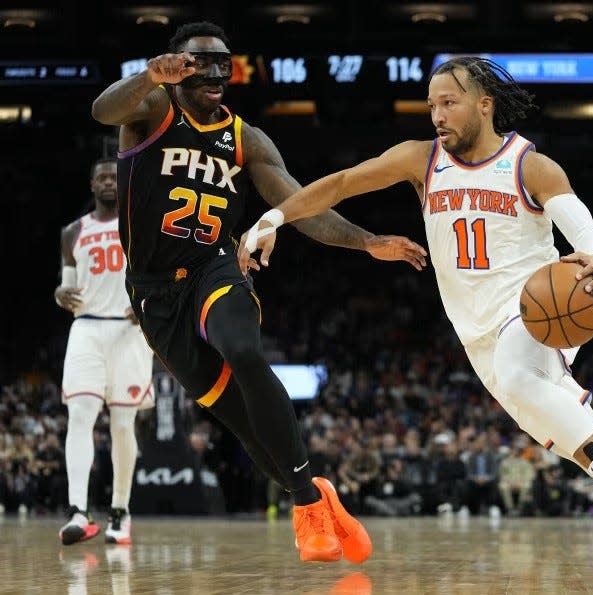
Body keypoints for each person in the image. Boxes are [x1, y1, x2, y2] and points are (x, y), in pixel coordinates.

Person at [239, 56, 593, 574]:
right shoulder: (419, 159)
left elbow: (588, 236)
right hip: (478, 338)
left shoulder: (529, 165)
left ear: (485, 104)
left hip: (538, 317)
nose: (438, 115)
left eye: (449, 102)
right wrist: (275, 216)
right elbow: (342, 182)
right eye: (431, 105)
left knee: (528, 383)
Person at [91, 21, 427, 563]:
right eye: (201, 63)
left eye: (223, 63)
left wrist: (368, 243)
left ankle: (306, 508)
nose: (216, 73)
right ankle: (314, 497)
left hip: (214, 268)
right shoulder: (151, 110)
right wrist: (150, 75)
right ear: (177, 71)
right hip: (154, 296)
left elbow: (303, 206)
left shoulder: (247, 139)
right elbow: (102, 112)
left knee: (245, 350)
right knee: (246, 426)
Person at [54, 157, 155, 545]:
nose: (109, 182)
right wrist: (60, 292)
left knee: (122, 424)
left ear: (123, 182)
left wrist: (148, 301)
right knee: (79, 414)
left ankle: (120, 510)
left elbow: (160, 272)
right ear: (92, 185)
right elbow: (68, 288)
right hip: (87, 328)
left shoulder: (138, 223)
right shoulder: (72, 232)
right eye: (102, 177)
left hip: (130, 332)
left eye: (115, 176)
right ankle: (77, 511)